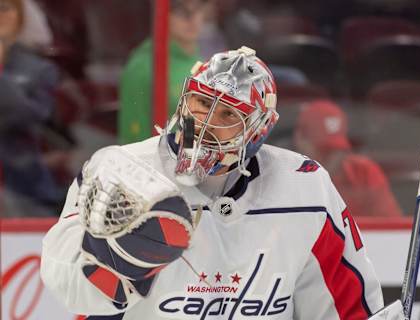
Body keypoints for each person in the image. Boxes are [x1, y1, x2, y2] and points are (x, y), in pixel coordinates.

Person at [41, 47, 386, 319]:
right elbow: (65, 281)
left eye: (228, 115)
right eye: (202, 102)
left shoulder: (304, 187)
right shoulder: (122, 171)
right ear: (184, 100)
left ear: (258, 131)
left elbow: (347, 306)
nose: (205, 122)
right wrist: (113, 265)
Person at [0, 0, 64, 215]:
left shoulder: (38, 69)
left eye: (3, 8)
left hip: (24, 191)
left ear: (19, 16)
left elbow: (31, 117)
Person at [118, 0, 209, 145]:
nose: (193, 19)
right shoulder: (144, 67)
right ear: (162, 14)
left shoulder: (202, 63)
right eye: (181, 11)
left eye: (198, 9)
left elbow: (193, 124)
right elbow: (132, 138)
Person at [294, 99, 403, 217]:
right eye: (324, 150)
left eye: (337, 149)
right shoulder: (286, 178)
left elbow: (390, 227)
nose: (333, 158)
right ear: (300, 139)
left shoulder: (364, 173)